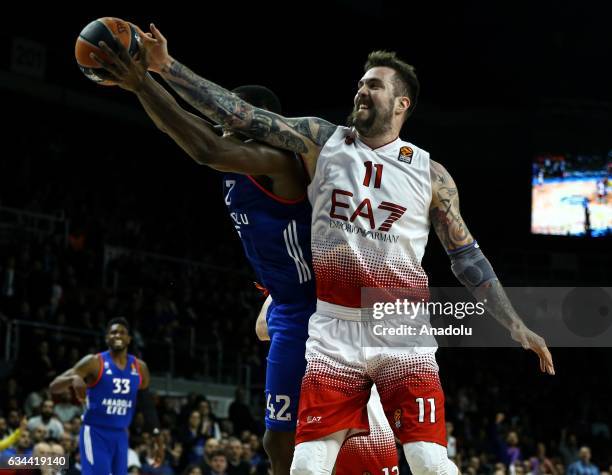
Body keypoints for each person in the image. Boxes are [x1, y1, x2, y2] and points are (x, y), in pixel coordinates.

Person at [91, 34, 398, 475]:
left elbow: (205, 148)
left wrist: (143, 84)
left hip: (326, 306)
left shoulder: (277, 161)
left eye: (227, 115)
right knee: (276, 437)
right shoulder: (232, 159)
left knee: (339, 435)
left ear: (255, 121)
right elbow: (183, 130)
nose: (218, 119)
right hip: (289, 303)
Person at [49, 317, 163, 475]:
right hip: (95, 432)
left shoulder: (140, 368)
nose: (118, 335)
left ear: (129, 339)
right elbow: (53, 386)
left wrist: (157, 438)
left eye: (122, 333)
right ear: (106, 338)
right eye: (113, 332)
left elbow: (147, 406)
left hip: (121, 435)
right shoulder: (94, 362)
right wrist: (72, 378)